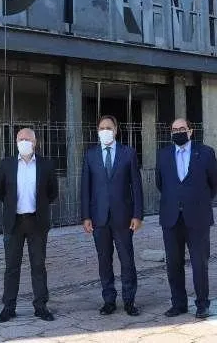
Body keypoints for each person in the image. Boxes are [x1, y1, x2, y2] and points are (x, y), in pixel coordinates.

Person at [155, 118, 217, 319]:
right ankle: (179, 304)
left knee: (199, 263)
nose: (178, 132)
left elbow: (216, 182)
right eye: (174, 129)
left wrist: (199, 200)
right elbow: (161, 184)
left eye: (182, 129)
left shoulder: (205, 153)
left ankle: (202, 304)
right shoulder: (163, 155)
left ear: (190, 131)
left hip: (198, 218)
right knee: (173, 263)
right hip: (171, 218)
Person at [80, 115, 144, 316]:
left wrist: (138, 214)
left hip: (123, 217)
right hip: (99, 218)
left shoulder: (128, 153)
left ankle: (129, 300)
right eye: (101, 128)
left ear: (116, 130)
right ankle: (109, 300)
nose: (105, 130)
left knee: (127, 260)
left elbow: (137, 186)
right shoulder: (90, 155)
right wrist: (86, 216)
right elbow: (85, 189)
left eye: (108, 127)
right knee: (104, 261)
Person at [0, 127, 59, 322]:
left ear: (35, 142)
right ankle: (8, 307)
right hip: (14, 222)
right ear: (16, 142)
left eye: (27, 139)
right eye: (20, 139)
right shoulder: (7, 164)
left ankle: (41, 306)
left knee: (38, 265)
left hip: (37, 222)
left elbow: (52, 192)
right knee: (11, 266)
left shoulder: (46, 165)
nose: (23, 142)